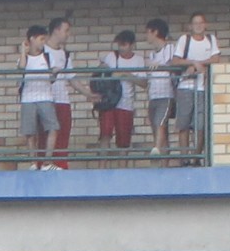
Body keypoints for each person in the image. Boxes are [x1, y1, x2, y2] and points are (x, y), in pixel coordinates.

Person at [169, 11, 220, 157]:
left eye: (201, 23)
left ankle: (197, 157)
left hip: (203, 88)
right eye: (195, 23)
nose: (198, 26)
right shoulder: (184, 40)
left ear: (205, 25)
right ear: (190, 26)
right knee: (183, 124)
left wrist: (199, 65)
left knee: (201, 125)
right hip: (185, 87)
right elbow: (175, 60)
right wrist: (193, 63)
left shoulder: (211, 39)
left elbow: (216, 59)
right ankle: (185, 158)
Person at [18, 24, 60, 168]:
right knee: (30, 132)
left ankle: (47, 162)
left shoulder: (48, 57)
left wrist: (54, 72)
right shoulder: (24, 58)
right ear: (32, 39)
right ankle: (33, 163)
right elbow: (21, 68)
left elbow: (52, 79)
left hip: (45, 97)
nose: (43, 43)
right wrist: (23, 51)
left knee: (52, 128)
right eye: (41, 39)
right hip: (28, 98)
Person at [94, 30, 141, 151]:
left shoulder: (138, 60)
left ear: (132, 45)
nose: (121, 48)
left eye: (124, 45)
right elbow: (98, 76)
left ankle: (123, 168)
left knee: (124, 139)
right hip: (109, 102)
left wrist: (125, 74)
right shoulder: (110, 56)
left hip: (126, 103)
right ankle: (102, 167)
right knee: (105, 134)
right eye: (119, 45)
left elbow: (144, 83)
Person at [141, 16, 178, 155]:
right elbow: (146, 81)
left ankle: (156, 149)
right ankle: (164, 163)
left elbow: (175, 65)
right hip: (153, 96)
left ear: (155, 32)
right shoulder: (151, 55)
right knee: (158, 129)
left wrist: (160, 65)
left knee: (160, 123)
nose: (146, 36)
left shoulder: (170, 48)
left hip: (166, 94)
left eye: (147, 32)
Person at [44, 15, 76, 168]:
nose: (68, 34)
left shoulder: (66, 54)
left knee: (63, 136)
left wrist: (88, 94)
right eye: (66, 30)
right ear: (56, 30)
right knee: (44, 137)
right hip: (45, 100)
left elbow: (72, 78)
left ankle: (61, 166)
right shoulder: (41, 50)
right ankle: (42, 166)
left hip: (63, 101)